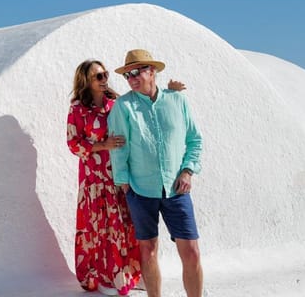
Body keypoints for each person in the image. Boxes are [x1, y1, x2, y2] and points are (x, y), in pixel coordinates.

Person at [66, 59, 185, 296]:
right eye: (98, 76)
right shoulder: (78, 108)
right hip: (96, 181)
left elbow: (145, 113)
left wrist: (170, 92)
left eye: (105, 74)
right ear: (86, 82)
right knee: (102, 228)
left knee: (128, 226)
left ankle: (132, 273)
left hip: (123, 176)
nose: (104, 80)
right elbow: (73, 143)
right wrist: (102, 145)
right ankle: (106, 277)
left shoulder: (116, 102)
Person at [108, 49, 203, 297]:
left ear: (153, 71)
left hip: (176, 189)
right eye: (127, 75)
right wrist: (123, 182)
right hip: (140, 189)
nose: (131, 78)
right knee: (148, 250)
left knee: (191, 251)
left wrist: (188, 171)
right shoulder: (123, 106)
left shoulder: (177, 100)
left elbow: (194, 140)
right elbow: (119, 147)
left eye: (137, 72)